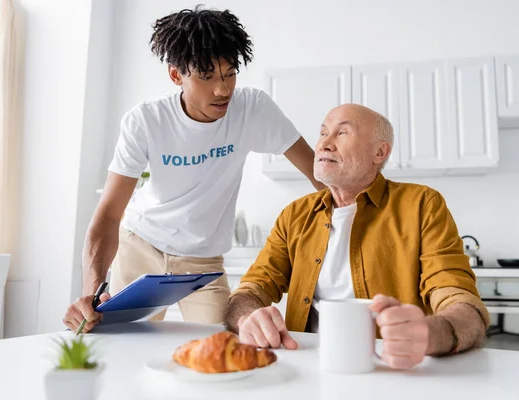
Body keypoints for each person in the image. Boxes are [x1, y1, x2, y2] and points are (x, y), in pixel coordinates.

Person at [62, 5, 325, 333]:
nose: (223, 89)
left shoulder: (253, 109)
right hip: (142, 245)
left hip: (203, 262)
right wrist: (93, 292)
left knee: (223, 341)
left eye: (230, 73)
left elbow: (320, 174)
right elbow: (109, 215)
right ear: (176, 75)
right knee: (115, 339)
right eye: (207, 76)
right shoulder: (145, 121)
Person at [225, 104, 490, 370]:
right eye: (323, 133)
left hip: (391, 369)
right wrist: (247, 318)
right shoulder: (294, 215)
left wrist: (432, 333)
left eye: (342, 133)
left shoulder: (422, 204)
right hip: (308, 365)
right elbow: (250, 290)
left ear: (379, 152)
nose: (324, 144)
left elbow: (463, 305)